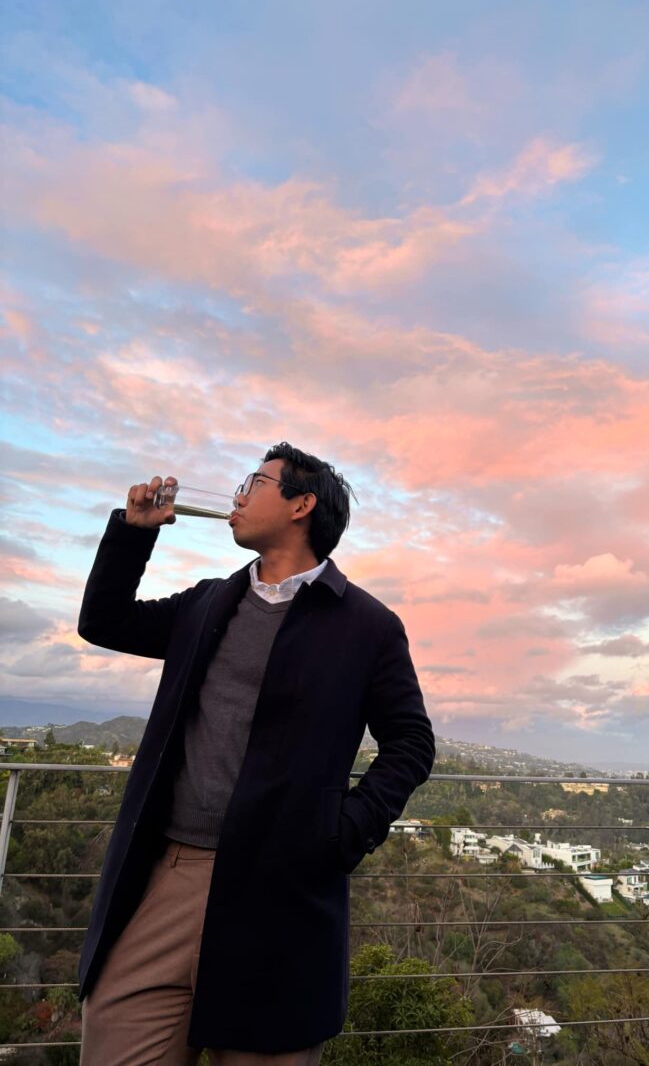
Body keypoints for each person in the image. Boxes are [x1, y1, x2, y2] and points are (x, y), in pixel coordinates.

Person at [77, 442, 436, 1065]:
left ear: (302, 505)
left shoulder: (368, 626)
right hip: (168, 875)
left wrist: (341, 835)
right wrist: (133, 535)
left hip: (282, 895)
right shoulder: (207, 603)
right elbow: (104, 622)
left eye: (255, 482)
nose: (237, 495)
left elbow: (411, 742)